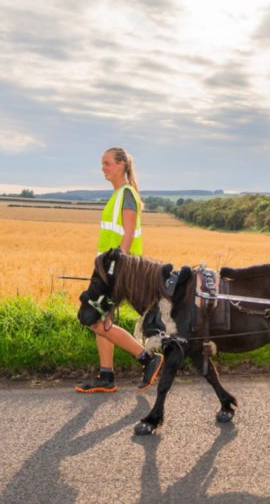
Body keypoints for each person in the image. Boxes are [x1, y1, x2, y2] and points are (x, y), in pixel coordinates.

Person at [76, 147, 164, 394]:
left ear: (122, 165)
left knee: (91, 317)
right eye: (102, 164)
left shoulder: (126, 194)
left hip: (117, 269)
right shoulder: (119, 194)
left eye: (107, 163)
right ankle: (106, 376)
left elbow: (126, 234)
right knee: (103, 320)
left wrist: (114, 270)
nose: (103, 168)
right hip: (108, 268)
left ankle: (147, 359)